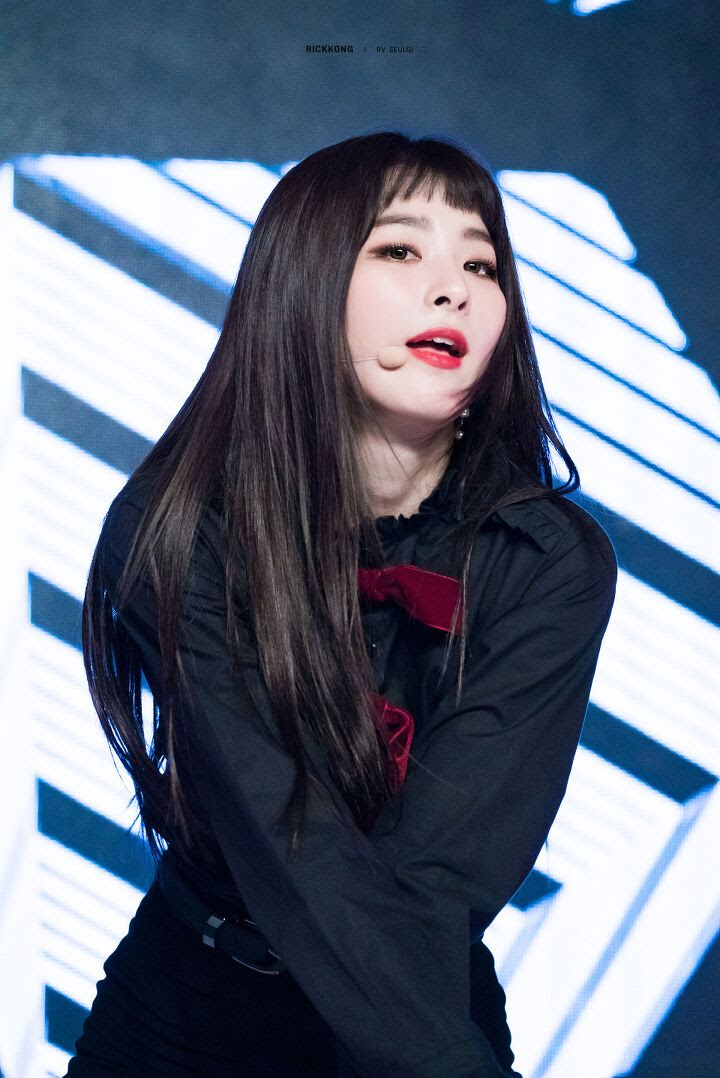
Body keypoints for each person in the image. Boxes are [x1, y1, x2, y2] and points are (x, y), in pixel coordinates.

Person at [66, 131, 617, 1077]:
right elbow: (287, 834)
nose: (452, 290)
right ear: (306, 284)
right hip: (188, 1014)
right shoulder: (180, 530)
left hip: (419, 995)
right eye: (399, 248)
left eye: (480, 265)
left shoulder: (547, 560)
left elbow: (443, 875)